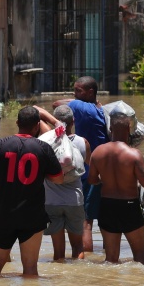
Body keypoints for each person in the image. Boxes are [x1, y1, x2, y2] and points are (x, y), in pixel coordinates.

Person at [0, 106, 64, 278]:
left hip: (4, 214)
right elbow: (59, 179)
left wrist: (1, 174)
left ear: (17, 122)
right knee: (30, 267)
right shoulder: (44, 148)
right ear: (37, 125)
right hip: (32, 215)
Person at [86, 112, 144, 264]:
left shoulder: (98, 152)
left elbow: (92, 180)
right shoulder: (134, 154)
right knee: (139, 259)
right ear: (130, 129)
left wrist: (105, 180)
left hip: (107, 206)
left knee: (110, 260)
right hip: (130, 206)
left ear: (110, 128)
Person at [53, 76, 108, 254]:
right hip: (103, 170)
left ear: (90, 92)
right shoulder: (99, 111)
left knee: (86, 222)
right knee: (105, 221)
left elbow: (57, 104)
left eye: (78, 91)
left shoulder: (79, 107)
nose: (74, 94)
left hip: (88, 172)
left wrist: (73, 101)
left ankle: (86, 262)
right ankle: (109, 254)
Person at [43, 105, 91, 261]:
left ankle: (59, 282)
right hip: (74, 201)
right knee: (78, 247)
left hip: (51, 201)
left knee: (58, 252)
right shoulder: (83, 143)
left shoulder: (46, 142)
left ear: (54, 122)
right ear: (73, 121)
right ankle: (77, 279)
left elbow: (36, 110)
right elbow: (90, 166)